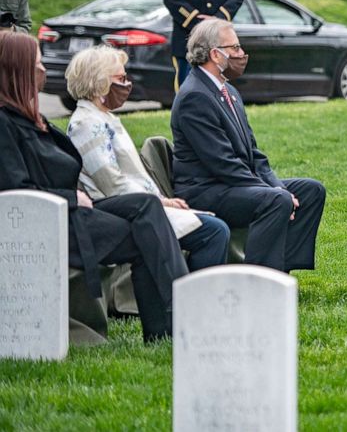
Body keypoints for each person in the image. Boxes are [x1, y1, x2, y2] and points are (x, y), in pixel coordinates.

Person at [0, 32, 187, 342]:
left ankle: (170, 325)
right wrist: (67, 196)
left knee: (145, 205)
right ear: (17, 71)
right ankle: (175, 321)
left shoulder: (29, 117)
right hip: (50, 219)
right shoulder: (5, 124)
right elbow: (12, 189)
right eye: (37, 64)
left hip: (75, 207)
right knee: (143, 237)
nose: (43, 70)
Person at [170, 19, 325, 272]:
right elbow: (223, 163)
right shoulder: (195, 96)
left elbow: (254, 154)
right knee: (276, 200)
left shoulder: (228, 90)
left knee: (311, 191)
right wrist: (275, 192)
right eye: (235, 48)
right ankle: (259, 277)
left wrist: (275, 184)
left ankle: (284, 268)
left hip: (231, 183)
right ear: (215, 54)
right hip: (207, 189)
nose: (242, 54)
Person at [65, 45, 230, 271]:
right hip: (122, 209)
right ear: (99, 81)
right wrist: (161, 201)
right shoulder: (86, 123)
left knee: (215, 227)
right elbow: (112, 182)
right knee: (213, 232)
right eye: (121, 78)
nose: (126, 84)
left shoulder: (103, 117)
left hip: (140, 203)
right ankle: (195, 301)